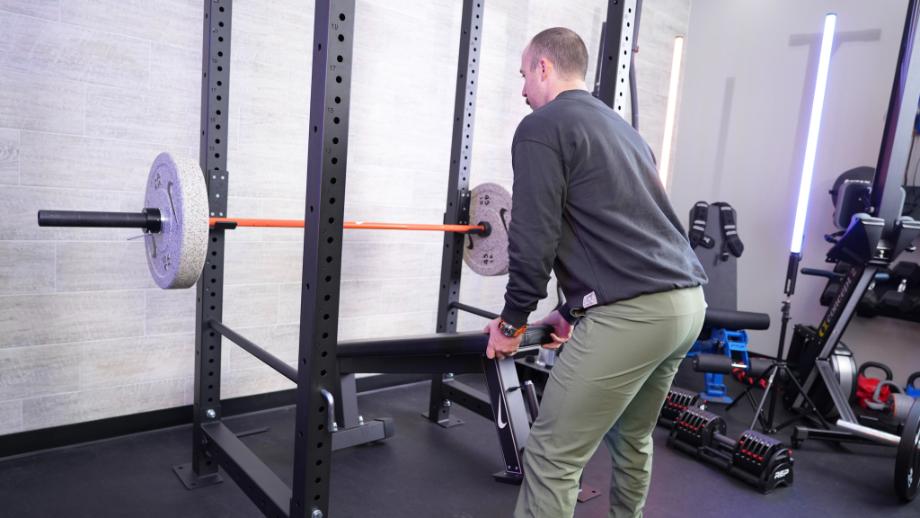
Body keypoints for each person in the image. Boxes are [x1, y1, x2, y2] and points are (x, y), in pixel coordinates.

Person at [483, 27, 709, 518]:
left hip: (633, 315)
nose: (522, 90)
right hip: (687, 306)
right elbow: (619, 230)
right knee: (632, 438)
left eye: (524, 75)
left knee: (551, 455)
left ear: (544, 67)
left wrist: (511, 323)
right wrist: (568, 311)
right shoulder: (621, 129)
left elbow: (533, 237)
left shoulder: (542, 126)